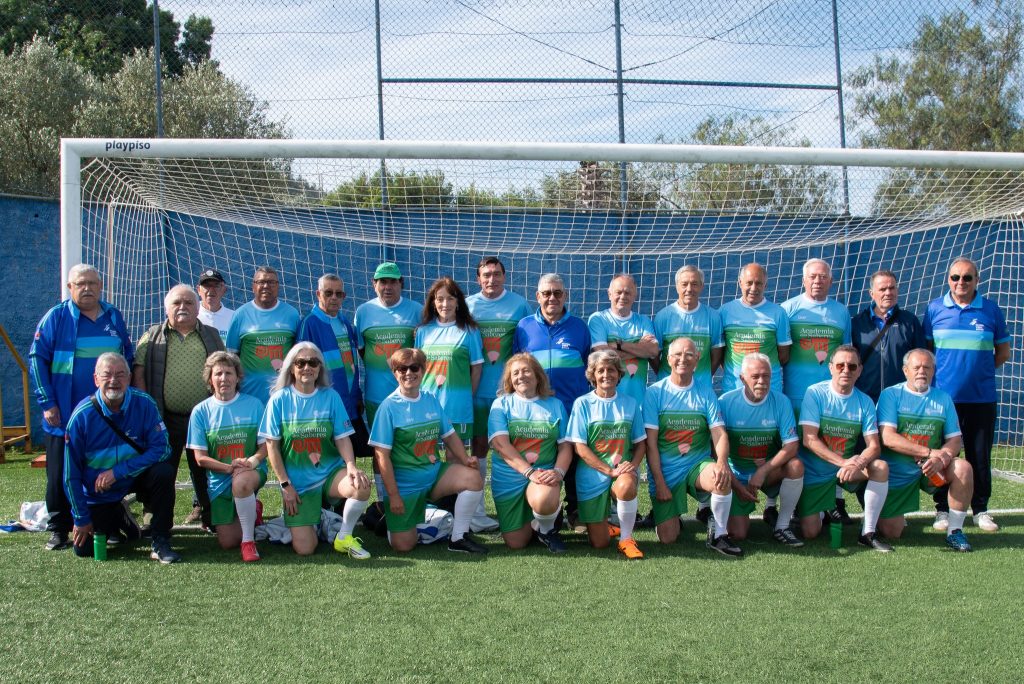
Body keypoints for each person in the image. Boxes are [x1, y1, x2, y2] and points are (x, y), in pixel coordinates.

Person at [29, 264, 133, 551]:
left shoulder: (113, 316)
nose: (87, 288)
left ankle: (109, 523)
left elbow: (127, 355)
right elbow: (37, 359)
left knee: (104, 470)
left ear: (101, 286)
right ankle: (58, 528)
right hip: (64, 413)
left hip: (106, 415)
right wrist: (48, 402)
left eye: (92, 283)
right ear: (69, 288)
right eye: (80, 284)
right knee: (60, 472)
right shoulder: (56, 317)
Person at [369, 348, 488, 554]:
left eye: (414, 367)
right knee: (404, 546)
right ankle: (388, 520)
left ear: (423, 370)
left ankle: (458, 538)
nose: (409, 373)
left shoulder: (430, 399)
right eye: (402, 369)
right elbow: (382, 456)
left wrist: (465, 459)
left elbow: (449, 435)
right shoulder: (388, 407)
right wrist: (394, 495)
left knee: (473, 478)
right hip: (405, 487)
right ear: (395, 373)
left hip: (433, 476)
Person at [63, 352, 178, 563]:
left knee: (164, 472)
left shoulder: (144, 403)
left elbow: (162, 449)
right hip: (100, 490)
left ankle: (160, 539)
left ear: (130, 377)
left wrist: (118, 472)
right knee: (85, 550)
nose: (113, 380)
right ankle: (118, 514)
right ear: (96, 379)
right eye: (107, 375)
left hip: (135, 477)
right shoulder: (81, 417)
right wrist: (80, 518)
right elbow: (71, 475)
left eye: (120, 374)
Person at [260, 342, 372, 558]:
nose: (307, 367)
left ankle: (344, 537)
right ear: (291, 368)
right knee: (305, 549)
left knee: (361, 486)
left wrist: (351, 466)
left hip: (330, 472)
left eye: (313, 362)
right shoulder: (279, 400)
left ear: (320, 368)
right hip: (298, 483)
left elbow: (342, 438)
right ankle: (319, 519)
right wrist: (285, 485)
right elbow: (272, 447)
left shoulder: (331, 397)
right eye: (300, 363)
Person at [924, 257, 1011, 533]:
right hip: (942, 400)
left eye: (967, 277)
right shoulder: (934, 309)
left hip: (981, 398)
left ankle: (980, 509)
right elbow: (927, 353)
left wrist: (977, 372)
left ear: (977, 280)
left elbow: (1003, 353)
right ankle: (942, 509)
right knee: (942, 456)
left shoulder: (991, 310)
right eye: (955, 277)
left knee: (979, 455)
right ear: (948, 279)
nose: (960, 282)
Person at [132, 284, 225, 530]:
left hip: (203, 419)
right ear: (167, 308)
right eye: (176, 303)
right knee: (161, 470)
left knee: (205, 470)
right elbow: (138, 371)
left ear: (198, 307)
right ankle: (155, 520)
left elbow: (225, 370)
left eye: (188, 302)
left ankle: (212, 518)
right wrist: (146, 411)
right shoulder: (151, 335)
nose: (183, 307)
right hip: (163, 418)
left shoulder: (212, 335)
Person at [643, 338, 741, 557]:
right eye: (677, 354)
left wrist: (722, 463)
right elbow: (650, 444)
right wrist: (659, 482)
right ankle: (673, 515)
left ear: (697, 359)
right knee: (668, 538)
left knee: (719, 475)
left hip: (697, 464)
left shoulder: (706, 392)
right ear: (668, 359)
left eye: (689, 354)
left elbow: (719, 433)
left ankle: (719, 535)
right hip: (667, 472)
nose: (683, 359)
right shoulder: (654, 393)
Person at [876, 349, 973, 552]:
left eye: (927, 367)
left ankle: (955, 532)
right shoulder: (890, 395)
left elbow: (955, 440)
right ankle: (881, 513)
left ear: (933, 371)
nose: (922, 371)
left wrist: (942, 457)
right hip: (898, 473)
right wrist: (929, 453)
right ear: (905, 370)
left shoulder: (943, 399)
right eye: (916, 367)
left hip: (932, 468)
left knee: (963, 468)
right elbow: (888, 438)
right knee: (891, 532)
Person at [797, 345, 892, 552]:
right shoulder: (815, 393)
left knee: (880, 467)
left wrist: (858, 462)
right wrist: (844, 462)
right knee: (810, 532)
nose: (846, 370)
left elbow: (874, 446)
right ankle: (821, 508)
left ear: (860, 370)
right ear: (831, 367)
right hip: (816, 472)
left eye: (852, 366)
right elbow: (809, 440)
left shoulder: (865, 401)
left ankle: (867, 533)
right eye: (840, 365)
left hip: (847, 471)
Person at [415, 276, 492, 531]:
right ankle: (430, 514)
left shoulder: (469, 331)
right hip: (427, 409)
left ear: (458, 302)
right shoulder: (423, 331)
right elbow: (417, 370)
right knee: (427, 458)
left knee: (456, 459)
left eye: (450, 298)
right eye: (440, 299)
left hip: (458, 406)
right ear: (432, 303)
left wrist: (466, 397)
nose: (445, 303)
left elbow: (476, 369)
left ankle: (460, 518)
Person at [514, 273, 591, 523]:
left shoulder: (579, 327)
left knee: (575, 460)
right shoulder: (524, 327)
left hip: (572, 407)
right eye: (546, 293)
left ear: (565, 295)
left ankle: (576, 511)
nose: (552, 298)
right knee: (544, 456)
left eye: (557, 293)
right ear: (537, 296)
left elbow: (588, 365)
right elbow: (517, 365)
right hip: (538, 411)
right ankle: (548, 509)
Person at [781, 259, 852, 524]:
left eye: (823, 277)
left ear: (831, 281)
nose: (817, 281)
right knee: (795, 451)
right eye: (812, 276)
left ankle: (832, 501)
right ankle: (784, 506)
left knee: (830, 446)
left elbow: (845, 354)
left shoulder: (841, 312)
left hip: (829, 397)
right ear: (803, 280)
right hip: (794, 395)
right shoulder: (788, 309)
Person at [187, 352, 269, 562]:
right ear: (210, 379)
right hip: (221, 478)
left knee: (241, 481)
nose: (224, 378)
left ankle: (248, 543)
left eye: (229, 373)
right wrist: (229, 468)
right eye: (218, 374)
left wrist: (250, 462)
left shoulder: (255, 405)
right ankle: (253, 510)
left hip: (250, 471)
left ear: (238, 377)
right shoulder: (200, 411)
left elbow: (265, 447)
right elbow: (200, 458)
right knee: (228, 542)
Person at [488, 352, 573, 552]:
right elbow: (501, 445)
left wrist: (558, 472)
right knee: (517, 543)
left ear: (537, 375)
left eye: (526, 371)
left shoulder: (555, 405)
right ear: (510, 380)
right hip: (509, 479)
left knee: (544, 499)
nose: (521, 376)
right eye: (515, 373)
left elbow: (565, 446)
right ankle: (543, 518)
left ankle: (547, 529)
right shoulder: (501, 404)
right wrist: (529, 472)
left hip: (542, 475)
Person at [566, 350, 647, 559]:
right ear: (592, 375)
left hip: (621, 472)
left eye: (611, 370)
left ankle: (626, 539)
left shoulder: (630, 403)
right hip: (592, 476)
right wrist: (608, 471)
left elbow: (641, 444)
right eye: (600, 370)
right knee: (599, 543)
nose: (606, 375)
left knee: (626, 485)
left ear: (619, 374)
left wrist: (632, 466)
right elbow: (580, 448)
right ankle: (605, 527)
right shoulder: (582, 403)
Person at [719, 353, 803, 547]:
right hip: (736, 476)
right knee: (737, 534)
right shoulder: (725, 402)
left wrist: (763, 471)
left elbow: (792, 446)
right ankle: (712, 514)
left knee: (796, 466)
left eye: (766, 376)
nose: (761, 381)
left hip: (768, 472)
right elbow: (717, 453)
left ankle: (782, 526)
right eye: (755, 376)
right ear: (742, 379)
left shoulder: (781, 401)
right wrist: (737, 486)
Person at [466, 256, 531, 463]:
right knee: (478, 444)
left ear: (504, 277)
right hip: (476, 388)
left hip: (509, 390)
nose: (491, 279)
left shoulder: (519, 305)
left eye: (496, 274)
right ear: (478, 279)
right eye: (486, 275)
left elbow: (528, 345)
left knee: (512, 443)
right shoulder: (467, 306)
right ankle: (477, 485)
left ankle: (512, 481)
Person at [297, 274, 368, 460]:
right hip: (325, 405)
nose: (334, 298)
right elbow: (300, 368)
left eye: (339, 294)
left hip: (349, 404)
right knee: (333, 458)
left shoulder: (345, 323)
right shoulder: (309, 323)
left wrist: (357, 395)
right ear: (318, 294)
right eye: (328, 293)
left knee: (357, 454)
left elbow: (351, 365)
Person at [354, 262, 422, 429]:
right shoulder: (363, 312)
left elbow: (422, 353)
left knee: (406, 441)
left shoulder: (417, 311)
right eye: (383, 282)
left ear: (401, 283)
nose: (388, 287)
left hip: (409, 394)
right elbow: (362, 350)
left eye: (393, 282)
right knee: (379, 441)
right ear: (374, 284)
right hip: (375, 396)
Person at [226, 266, 300, 404]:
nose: (266, 286)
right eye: (261, 282)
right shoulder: (240, 315)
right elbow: (231, 357)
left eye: (271, 282)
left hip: (284, 395)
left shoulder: (292, 314)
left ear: (278, 286)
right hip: (248, 395)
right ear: (253, 286)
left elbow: (298, 356)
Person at [851, 269, 926, 403]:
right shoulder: (857, 323)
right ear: (871, 293)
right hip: (865, 398)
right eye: (882, 289)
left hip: (901, 399)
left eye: (892, 288)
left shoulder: (910, 322)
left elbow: (922, 360)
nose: (888, 293)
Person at [720, 263, 792, 394]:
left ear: (765, 285)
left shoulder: (778, 313)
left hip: (770, 390)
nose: (753, 288)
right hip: (733, 389)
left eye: (758, 283)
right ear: (740, 283)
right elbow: (719, 354)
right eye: (749, 283)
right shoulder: (725, 311)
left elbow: (784, 357)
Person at [588, 273, 659, 406]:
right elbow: (603, 356)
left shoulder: (644, 321)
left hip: (638, 402)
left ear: (635, 295)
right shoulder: (598, 319)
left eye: (627, 292)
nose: (623, 296)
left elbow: (653, 351)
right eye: (618, 292)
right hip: (606, 401)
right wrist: (639, 350)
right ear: (609, 294)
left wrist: (618, 345)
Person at [653, 265, 723, 386]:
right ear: (677, 287)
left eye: (694, 284)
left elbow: (717, 355)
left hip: (701, 388)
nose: (689, 289)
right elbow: (653, 356)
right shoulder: (662, 317)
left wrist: (703, 377)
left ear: (702, 286)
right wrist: (666, 376)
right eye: (684, 284)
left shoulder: (713, 317)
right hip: (669, 389)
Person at [196, 268, 234, 342]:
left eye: (216, 286)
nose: (211, 290)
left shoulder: (234, 318)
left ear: (224, 290)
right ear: (198, 290)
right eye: (206, 286)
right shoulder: (191, 316)